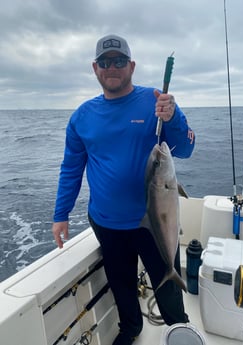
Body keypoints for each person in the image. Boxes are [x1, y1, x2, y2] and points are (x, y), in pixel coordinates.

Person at [52, 34, 195, 345]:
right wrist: (60, 214)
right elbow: (71, 169)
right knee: (121, 284)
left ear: (131, 66)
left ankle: (178, 327)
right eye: (105, 62)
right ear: (95, 68)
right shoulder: (81, 117)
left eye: (118, 61)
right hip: (107, 223)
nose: (111, 67)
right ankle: (130, 328)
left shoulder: (155, 101)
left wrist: (173, 116)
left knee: (168, 285)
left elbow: (184, 149)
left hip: (155, 221)